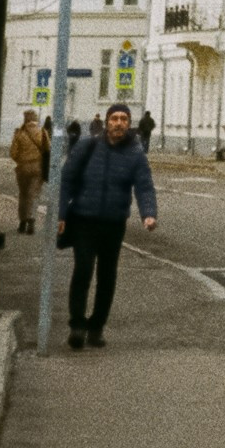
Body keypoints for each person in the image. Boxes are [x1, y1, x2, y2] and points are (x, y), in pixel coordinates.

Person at [57, 100, 158, 350]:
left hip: (113, 223)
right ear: (107, 122)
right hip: (83, 219)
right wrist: (60, 214)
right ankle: (77, 325)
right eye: (115, 119)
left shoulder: (135, 153)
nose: (119, 124)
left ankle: (97, 327)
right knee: (82, 270)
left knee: (107, 276)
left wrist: (149, 213)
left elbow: (144, 186)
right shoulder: (87, 147)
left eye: (124, 120)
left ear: (129, 124)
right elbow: (66, 180)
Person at [10, 109, 50, 233]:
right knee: (34, 195)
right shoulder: (42, 132)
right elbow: (47, 149)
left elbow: (13, 153)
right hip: (38, 168)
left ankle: (22, 223)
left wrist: (21, 160)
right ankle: (31, 221)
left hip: (23, 168)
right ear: (36, 119)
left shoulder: (19, 133)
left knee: (23, 194)